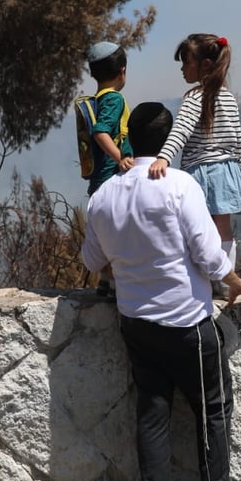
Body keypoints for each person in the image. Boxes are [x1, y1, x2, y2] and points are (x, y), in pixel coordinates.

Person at [82, 101, 241, 481]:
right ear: (165, 142)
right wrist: (237, 283)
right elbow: (208, 254)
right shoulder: (180, 185)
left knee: (152, 414)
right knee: (212, 411)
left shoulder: (103, 196)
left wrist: (125, 270)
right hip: (186, 322)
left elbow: (91, 261)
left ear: (128, 142)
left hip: (136, 324)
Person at [147, 34, 241, 287]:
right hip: (228, 169)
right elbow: (238, 138)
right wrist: (237, 167)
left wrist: (163, 157)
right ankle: (227, 283)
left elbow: (180, 129)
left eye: (186, 63)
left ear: (204, 65)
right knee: (223, 229)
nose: (182, 69)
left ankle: (202, 279)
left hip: (201, 172)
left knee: (197, 229)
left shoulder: (194, 97)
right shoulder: (229, 97)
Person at [84, 41, 134, 296]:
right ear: (122, 71)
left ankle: (104, 282)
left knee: (104, 232)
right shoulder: (114, 99)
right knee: (116, 233)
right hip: (110, 179)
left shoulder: (98, 99)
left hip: (97, 179)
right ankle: (115, 287)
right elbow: (101, 131)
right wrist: (120, 158)